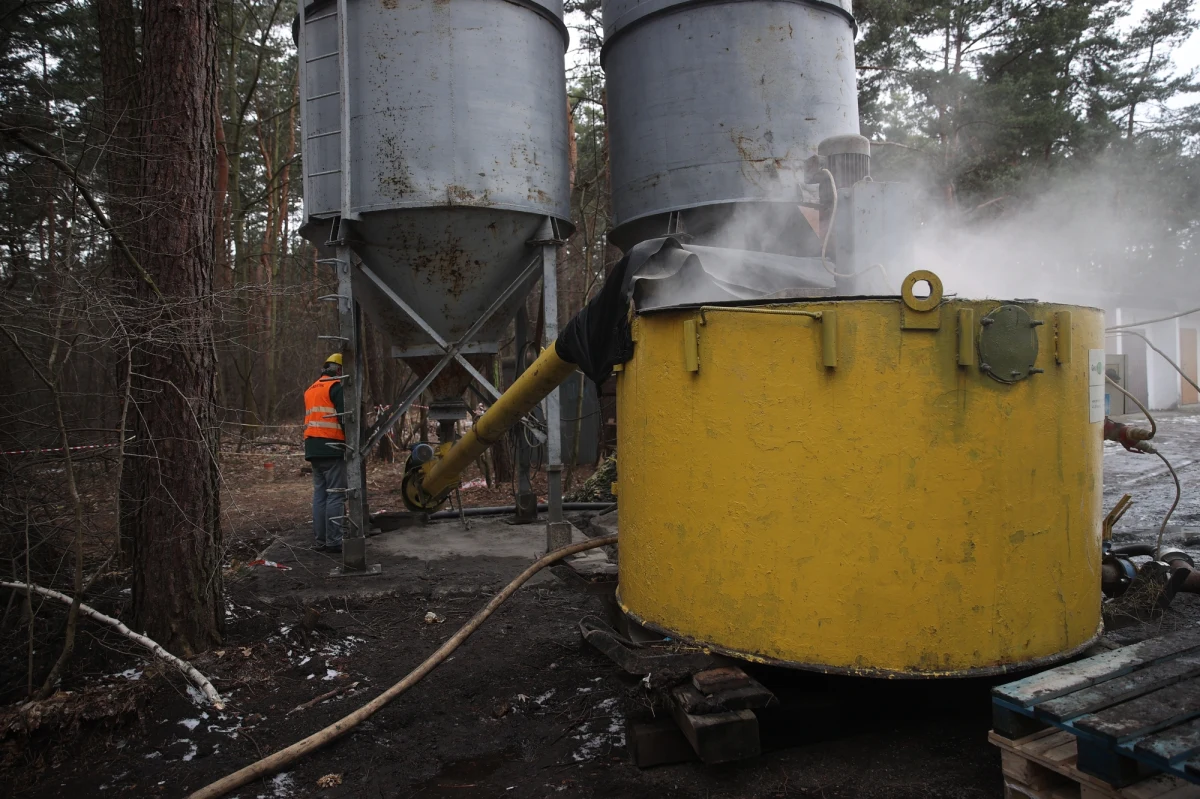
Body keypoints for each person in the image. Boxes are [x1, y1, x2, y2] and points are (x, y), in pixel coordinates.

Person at [304, 353, 346, 553]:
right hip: (332, 447)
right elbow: (346, 418)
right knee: (335, 495)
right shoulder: (335, 386)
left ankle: (321, 541)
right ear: (339, 369)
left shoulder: (311, 389)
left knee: (320, 495)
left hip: (313, 448)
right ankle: (334, 541)